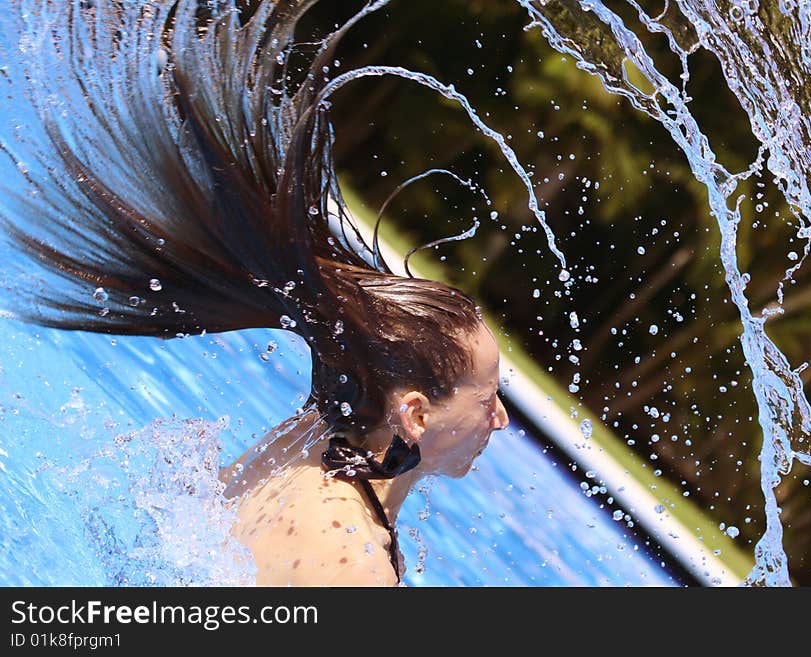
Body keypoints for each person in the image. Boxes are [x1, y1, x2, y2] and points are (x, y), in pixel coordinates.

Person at [0, 0, 508, 585]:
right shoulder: (354, 564)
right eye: (487, 397)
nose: (497, 420)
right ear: (415, 414)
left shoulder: (313, 441)